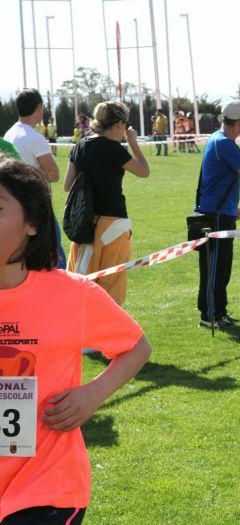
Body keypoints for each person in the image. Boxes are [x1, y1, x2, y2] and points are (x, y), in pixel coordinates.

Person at [0, 157, 152, 524]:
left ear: (33, 224)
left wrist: (92, 394)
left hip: (48, 486)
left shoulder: (71, 294)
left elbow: (136, 346)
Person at [63, 101, 150, 305]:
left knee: (82, 283)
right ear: (119, 123)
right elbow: (144, 171)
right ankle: (108, 333)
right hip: (113, 224)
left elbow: (68, 186)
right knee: (111, 288)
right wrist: (133, 142)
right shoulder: (113, 148)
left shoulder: (80, 145)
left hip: (84, 223)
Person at [193, 100, 240, 329]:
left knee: (221, 267)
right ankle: (210, 314)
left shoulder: (218, 139)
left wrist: (232, 207)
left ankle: (218, 312)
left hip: (221, 212)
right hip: (216, 216)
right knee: (215, 267)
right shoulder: (226, 144)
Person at [3, 88, 64, 268]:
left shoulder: (10, 134)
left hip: (15, 207)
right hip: (37, 205)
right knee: (54, 255)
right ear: (38, 108)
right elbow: (54, 174)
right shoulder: (34, 137)